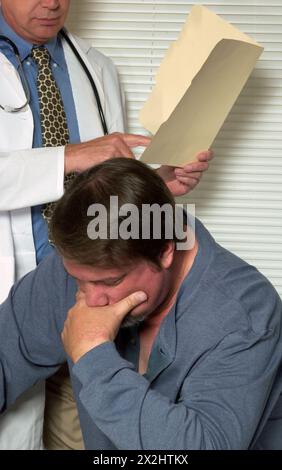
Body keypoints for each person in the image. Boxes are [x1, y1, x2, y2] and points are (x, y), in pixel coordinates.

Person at [0, 0, 213, 450]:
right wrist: (68, 157)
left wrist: (155, 184)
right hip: (18, 307)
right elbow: (82, 161)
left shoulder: (97, 69)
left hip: (89, 299)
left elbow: (106, 189)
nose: (53, 2)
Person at [0, 157, 281, 450]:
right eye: (79, 279)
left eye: (110, 283)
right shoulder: (81, 265)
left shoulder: (246, 313)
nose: (92, 300)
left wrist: (93, 356)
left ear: (165, 251)